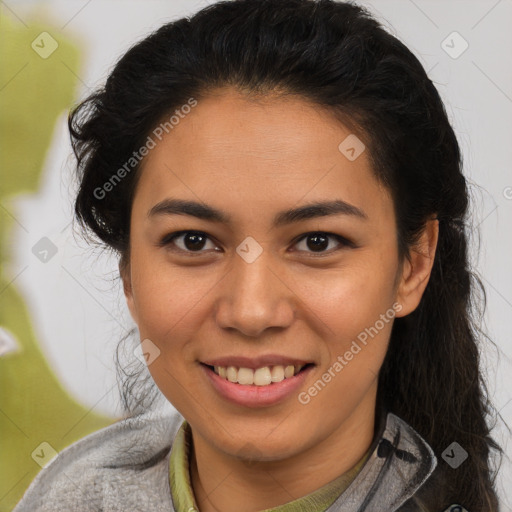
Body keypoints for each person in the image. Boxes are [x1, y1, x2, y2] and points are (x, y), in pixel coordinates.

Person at [14, 0, 502, 510]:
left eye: (318, 242)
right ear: (129, 273)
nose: (250, 312)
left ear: (413, 264)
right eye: (193, 241)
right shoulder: (67, 496)